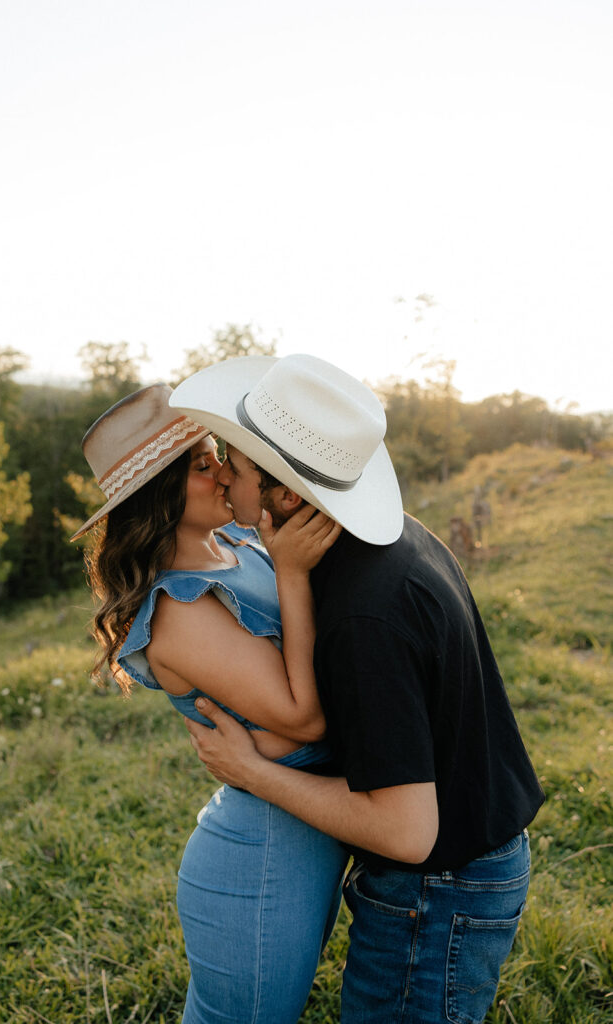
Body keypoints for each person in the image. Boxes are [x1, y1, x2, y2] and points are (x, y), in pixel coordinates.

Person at [170, 353, 546, 1024]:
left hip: (439, 888)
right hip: (468, 859)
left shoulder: (360, 615)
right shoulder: (397, 541)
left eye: (237, 460)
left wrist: (250, 772)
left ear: (287, 495)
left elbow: (405, 832)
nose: (222, 471)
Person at [70, 383, 348, 1024]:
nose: (225, 472)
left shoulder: (241, 549)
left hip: (306, 836)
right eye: (202, 465)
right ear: (159, 497)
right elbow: (303, 717)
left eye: (217, 454)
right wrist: (294, 575)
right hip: (261, 861)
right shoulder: (181, 610)